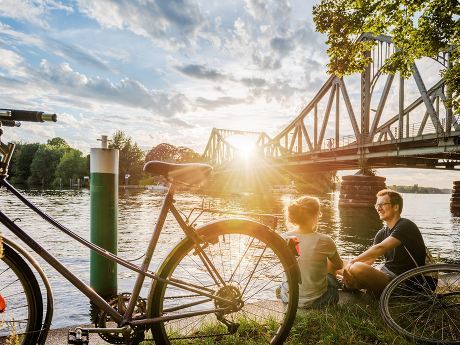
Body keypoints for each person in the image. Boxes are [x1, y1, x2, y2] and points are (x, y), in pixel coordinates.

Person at [341, 189, 426, 296]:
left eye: (382, 204)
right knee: (332, 262)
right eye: (377, 205)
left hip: (404, 281)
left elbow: (380, 248)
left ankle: (352, 284)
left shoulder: (406, 225)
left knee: (357, 267)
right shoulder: (381, 233)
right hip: (385, 273)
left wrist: (353, 262)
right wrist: (350, 272)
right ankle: (349, 282)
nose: (378, 208)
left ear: (396, 207)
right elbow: (370, 259)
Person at [280, 196, 343, 309]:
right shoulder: (325, 241)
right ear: (316, 215)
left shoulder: (283, 238)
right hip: (317, 301)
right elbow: (339, 265)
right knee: (332, 279)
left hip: (288, 298)